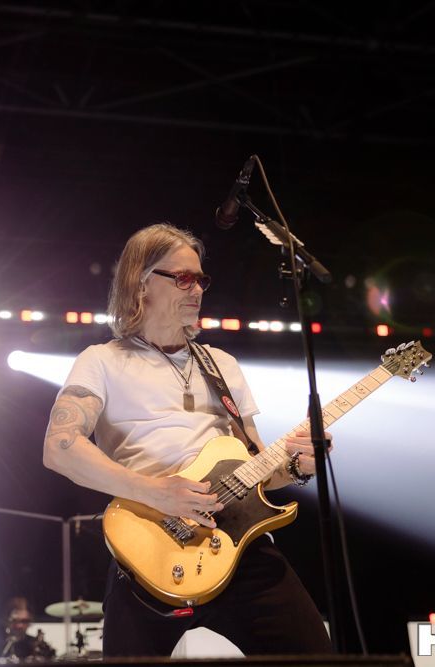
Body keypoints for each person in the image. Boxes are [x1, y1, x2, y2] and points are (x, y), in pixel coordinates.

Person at [42, 222, 334, 657]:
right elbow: (59, 448)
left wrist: (294, 465)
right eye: (182, 278)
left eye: (200, 279)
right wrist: (156, 492)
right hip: (151, 549)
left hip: (236, 545)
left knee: (319, 658)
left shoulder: (221, 364)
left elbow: (256, 467)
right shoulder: (101, 361)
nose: (196, 289)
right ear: (141, 283)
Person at [0, 596, 56, 661]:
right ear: (6, 620)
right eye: (15, 621)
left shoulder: (37, 645)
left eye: (24, 621)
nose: (20, 625)